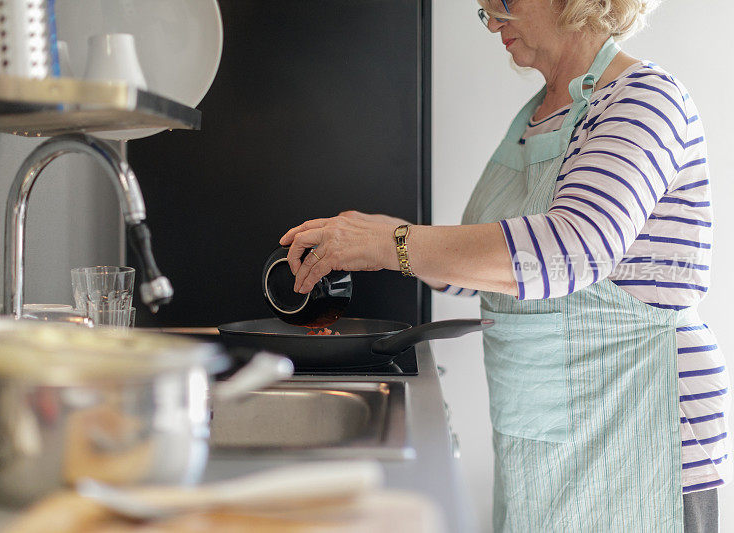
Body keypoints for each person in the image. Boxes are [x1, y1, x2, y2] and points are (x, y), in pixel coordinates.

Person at [279, 0, 731, 530]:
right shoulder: (539, 114)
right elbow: (503, 274)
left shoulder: (643, 98)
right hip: (540, 439)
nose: (492, 21)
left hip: (638, 423)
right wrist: (376, 235)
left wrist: (391, 243)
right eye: (484, 8)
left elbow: (573, 250)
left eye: (504, 2)